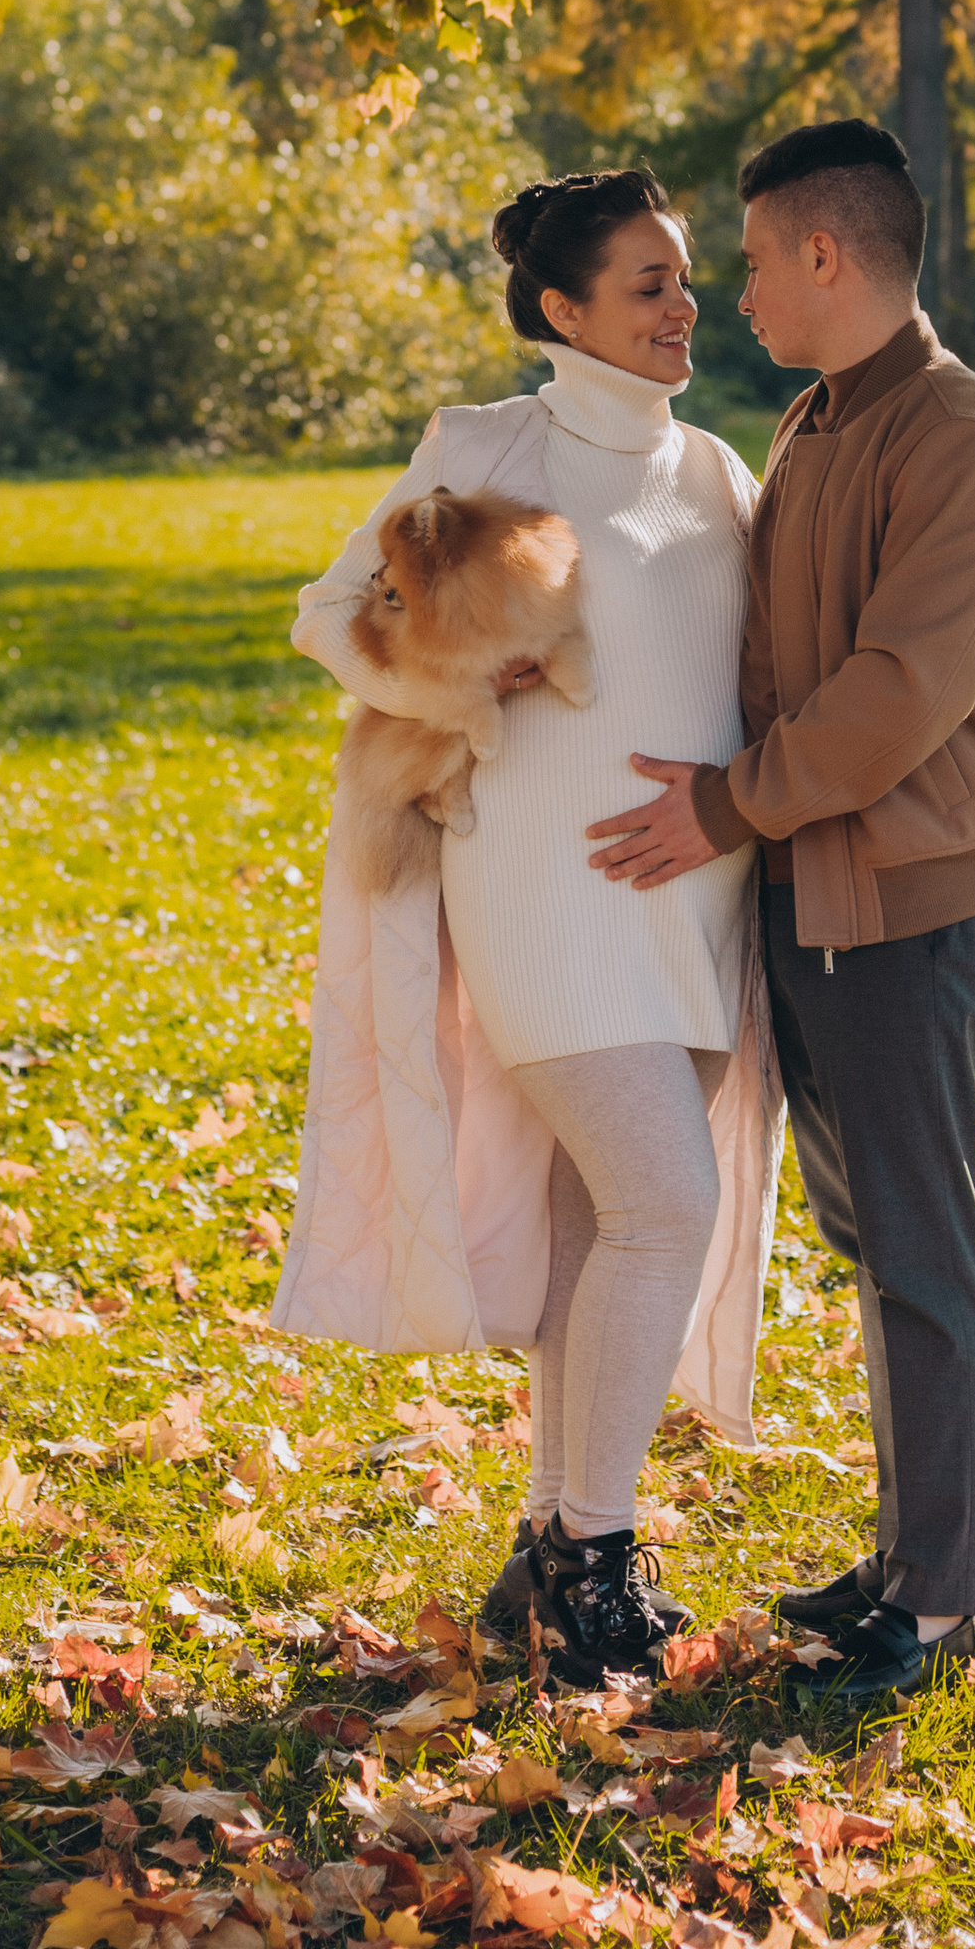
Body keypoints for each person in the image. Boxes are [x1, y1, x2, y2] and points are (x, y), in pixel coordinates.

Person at [271, 168, 781, 1686]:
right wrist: (456, 679)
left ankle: (548, 1543)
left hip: (696, 892)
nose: (682, 307)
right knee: (662, 1208)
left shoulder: (714, 471)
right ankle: (597, 1567)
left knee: (593, 1233)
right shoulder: (485, 447)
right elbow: (327, 614)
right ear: (563, 310)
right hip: (542, 892)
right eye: (648, 282)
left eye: (685, 280)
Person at [588, 119, 975, 1706]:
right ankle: (917, 1559)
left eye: (761, 261)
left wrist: (719, 806)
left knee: (924, 1248)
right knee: (872, 1238)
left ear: (830, 255)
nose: (738, 297)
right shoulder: (819, 419)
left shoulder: (956, 437)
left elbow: (899, 694)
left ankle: (942, 1607)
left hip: (904, 909)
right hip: (810, 895)